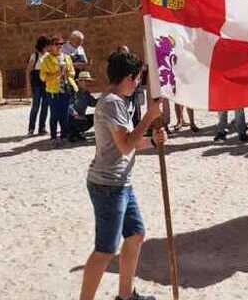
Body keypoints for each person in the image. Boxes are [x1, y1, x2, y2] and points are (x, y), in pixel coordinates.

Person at [79, 51, 165, 300]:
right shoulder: (112, 103)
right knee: (105, 250)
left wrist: (152, 142)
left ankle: (125, 296)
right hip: (108, 186)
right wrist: (149, 116)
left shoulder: (114, 101)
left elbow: (129, 142)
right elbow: (126, 145)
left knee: (136, 234)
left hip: (120, 183)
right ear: (128, 77)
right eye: (137, 78)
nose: (138, 83)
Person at [40, 36, 77, 147]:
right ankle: (53, 137)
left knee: (64, 115)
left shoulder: (67, 58)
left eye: (61, 44)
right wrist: (57, 73)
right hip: (53, 90)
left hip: (65, 89)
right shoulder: (46, 59)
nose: (60, 46)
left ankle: (64, 136)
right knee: (54, 115)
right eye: (57, 44)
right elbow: (43, 76)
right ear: (51, 46)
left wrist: (67, 73)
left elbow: (72, 73)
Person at [26, 35, 50, 136]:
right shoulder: (34, 56)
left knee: (45, 106)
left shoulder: (48, 56)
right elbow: (28, 71)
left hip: (46, 83)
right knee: (35, 106)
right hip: (36, 84)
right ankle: (31, 128)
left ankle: (42, 128)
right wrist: (28, 87)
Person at [68, 71, 98, 142]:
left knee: (95, 117)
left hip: (80, 118)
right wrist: (76, 115)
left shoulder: (86, 94)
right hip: (72, 118)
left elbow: (93, 103)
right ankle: (71, 134)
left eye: (88, 81)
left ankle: (77, 133)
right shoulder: (74, 92)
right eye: (86, 81)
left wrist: (103, 99)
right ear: (80, 82)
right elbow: (69, 106)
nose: (88, 83)